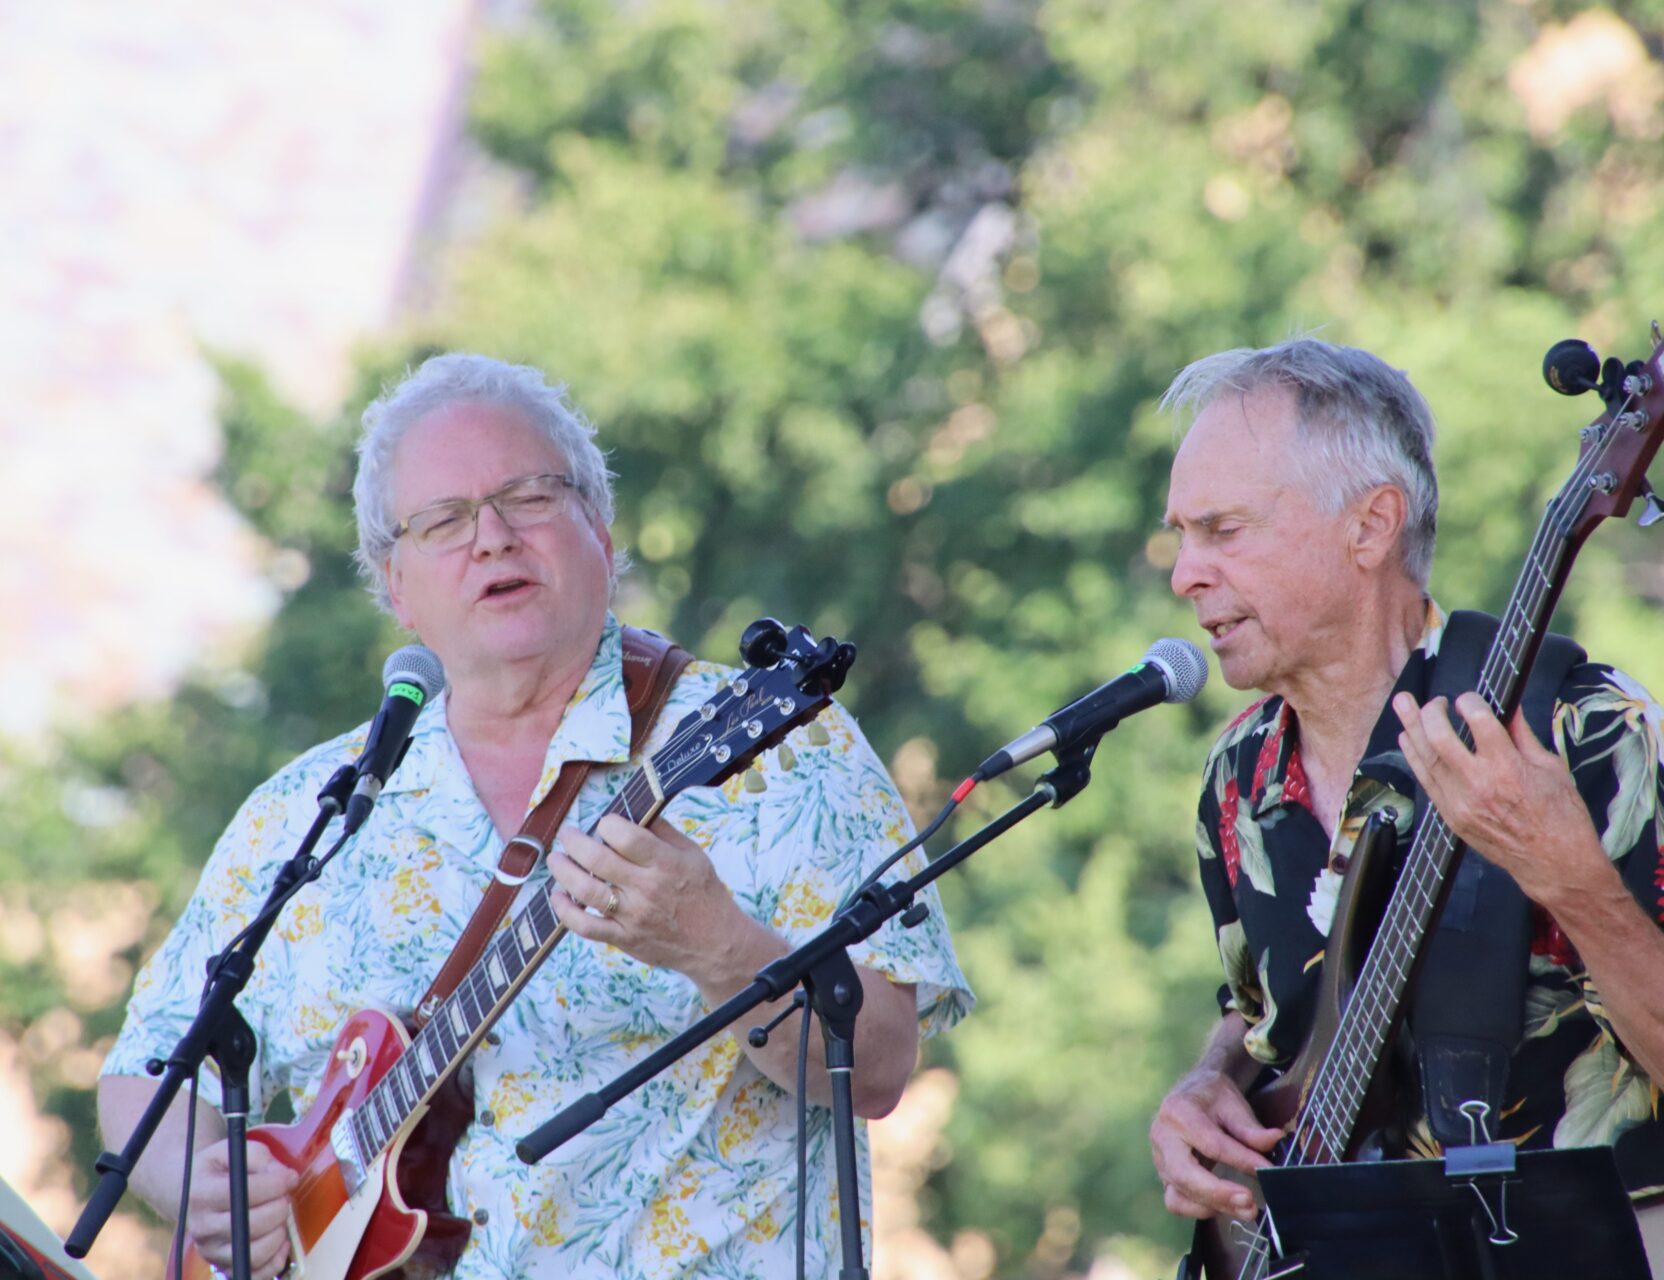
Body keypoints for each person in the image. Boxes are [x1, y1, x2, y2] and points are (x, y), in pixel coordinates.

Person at [98, 353, 972, 1279]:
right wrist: (207, 1181)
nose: (492, 537)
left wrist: (717, 947)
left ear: (598, 523)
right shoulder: (309, 810)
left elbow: (878, 1067)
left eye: (529, 497)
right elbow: (145, 1070)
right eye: (443, 520)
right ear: (395, 584)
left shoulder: (787, 752)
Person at [1147, 339, 1664, 1249]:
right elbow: (1260, 1014)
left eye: (1222, 531)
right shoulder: (1237, 778)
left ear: (1371, 525)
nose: (1185, 573)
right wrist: (1208, 1083)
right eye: (1182, 535)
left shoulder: (1584, 731)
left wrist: (1571, 881)